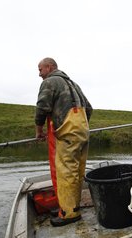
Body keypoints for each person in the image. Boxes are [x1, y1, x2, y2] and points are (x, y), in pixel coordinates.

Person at [35, 57, 92, 227]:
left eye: (40, 70)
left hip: (67, 132)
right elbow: (89, 108)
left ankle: (69, 214)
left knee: (66, 172)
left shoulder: (50, 82)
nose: (39, 74)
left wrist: (39, 130)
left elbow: (42, 107)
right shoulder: (74, 84)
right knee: (77, 170)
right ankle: (71, 206)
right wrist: (80, 124)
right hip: (82, 131)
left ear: (50, 67)